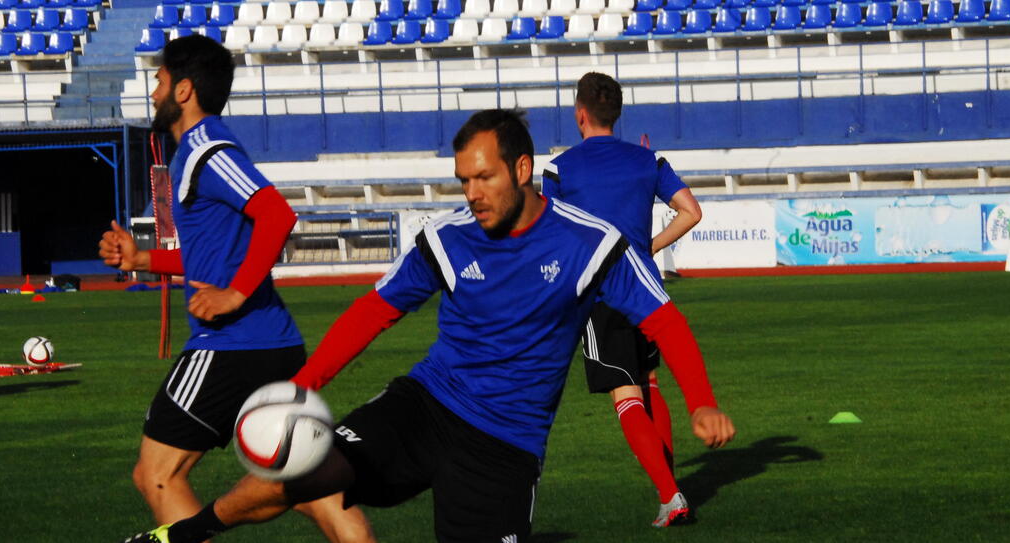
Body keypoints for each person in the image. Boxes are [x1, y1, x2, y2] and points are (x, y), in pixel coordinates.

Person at [120, 109, 734, 543]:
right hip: (427, 405)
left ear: (522, 170)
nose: (472, 193)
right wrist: (302, 385)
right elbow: (373, 312)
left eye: (484, 177)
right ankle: (186, 534)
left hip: (506, 445)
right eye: (463, 180)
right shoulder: (446, 240)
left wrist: (701, 403)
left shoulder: (592, 245)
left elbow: (668, 323)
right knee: (303, 465)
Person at [98, 35, 374, 543]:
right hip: (271, 344)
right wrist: (143, 261)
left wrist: (237, 295)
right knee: (311, 488)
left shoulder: (207, 148)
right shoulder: (198, 153)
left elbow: (276, 212)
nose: (153, 92)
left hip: (230, 346)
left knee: (157, 472)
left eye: (158, 82)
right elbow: (212, 257)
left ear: (183, 90)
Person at [541, 72, 704, 527]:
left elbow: (548, 235)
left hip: (600, 292)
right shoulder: (647, 160)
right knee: (650, 384)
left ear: (580, 114)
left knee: (625, 392)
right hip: (648, 290)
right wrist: (650, 247)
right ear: (617, 114)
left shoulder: (560, 168)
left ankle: (671, 496)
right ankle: (667, 487)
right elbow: (692, 211)